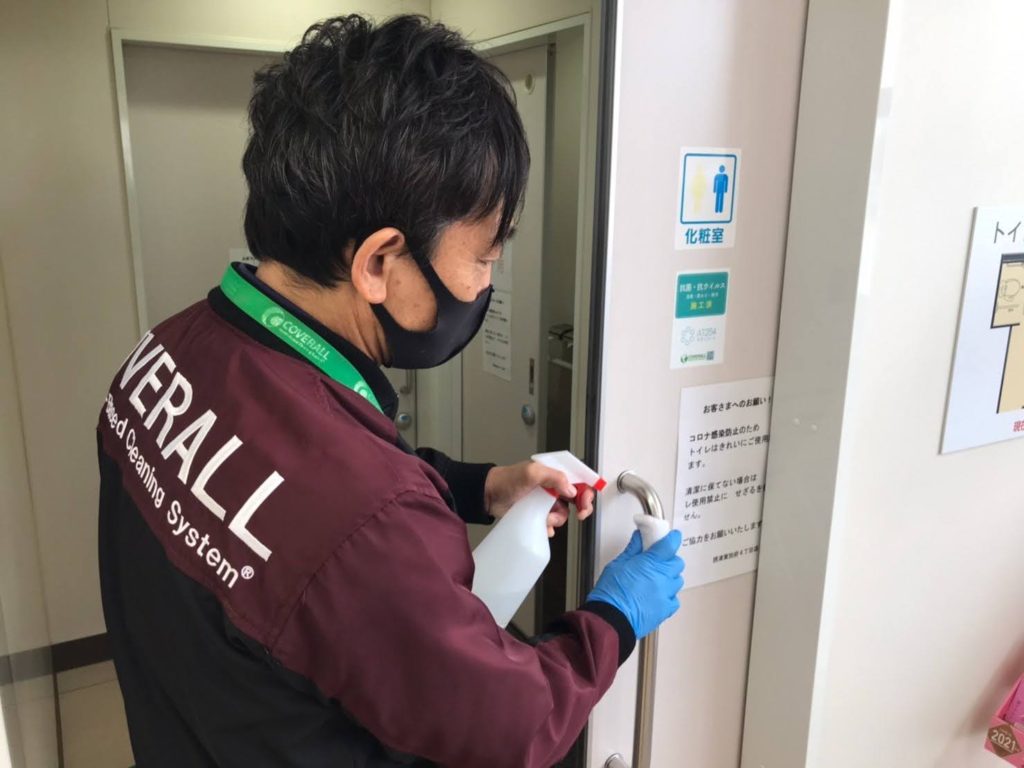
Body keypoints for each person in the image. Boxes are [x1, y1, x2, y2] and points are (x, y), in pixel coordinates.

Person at [96, 14, 684, 768]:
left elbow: (284, 492)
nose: (487, 281)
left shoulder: (168, 351)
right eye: (485, 255)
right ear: (379, 263)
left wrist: (481, 487)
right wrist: (615, 616)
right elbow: (513, 726)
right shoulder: (365, 518)